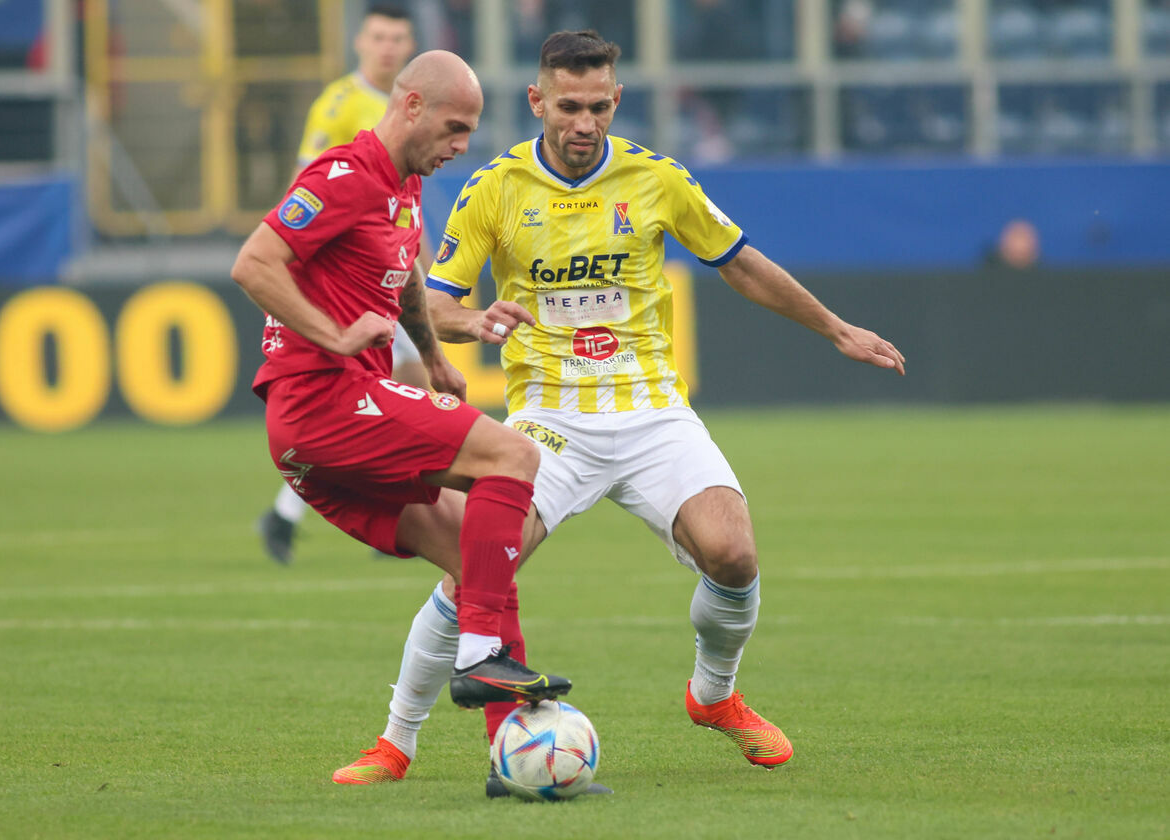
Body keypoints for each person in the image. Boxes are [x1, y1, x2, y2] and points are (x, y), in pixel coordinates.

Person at [331, 30, 906, 796]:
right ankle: (394, 743)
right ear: (537, 101)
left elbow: (740, 262)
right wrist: (470, 326)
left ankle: (714, 696)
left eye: (598, 106)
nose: (583, 122)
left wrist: (836, 328)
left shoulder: (658, 179)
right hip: (548, 422)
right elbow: (435, 301)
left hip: (651, 412)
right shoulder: (494, 189)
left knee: (733, 554)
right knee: (478, 563)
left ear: (617, 102)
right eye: (568, 105)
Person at [231, 50, 573, 753]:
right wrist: (334, 333)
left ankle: (511, 751)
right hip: (322, 402)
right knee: (512, 454)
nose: (460, 146)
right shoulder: (342, 177)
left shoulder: (402, 184)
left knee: (478, 558)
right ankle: (479, 657)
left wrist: (444, 353)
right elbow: (253, 263)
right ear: (411, 105)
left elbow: (406, 275)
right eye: (453, 128)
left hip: (327, 423)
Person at [255, 4, 431, 565]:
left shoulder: (413, 108)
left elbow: (403, 213)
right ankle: (388, 504)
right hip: (346, 279)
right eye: (378, 36)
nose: (387, 47)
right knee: (381, 391)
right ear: (360, 42)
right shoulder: (338, 103)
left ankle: (295, 512)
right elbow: (304, 192)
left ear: (408, 46)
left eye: (397, 38)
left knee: (403, 384)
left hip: (390, 276)